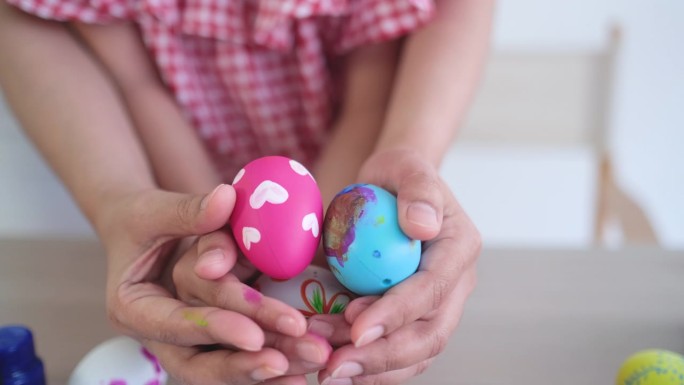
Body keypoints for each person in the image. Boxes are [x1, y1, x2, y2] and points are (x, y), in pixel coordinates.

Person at [0, 0, 491, 383]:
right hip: (183, 187)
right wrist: (205, 231)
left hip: (339, 175)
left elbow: (366, 102)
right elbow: (138, 84)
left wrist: (320, 244)